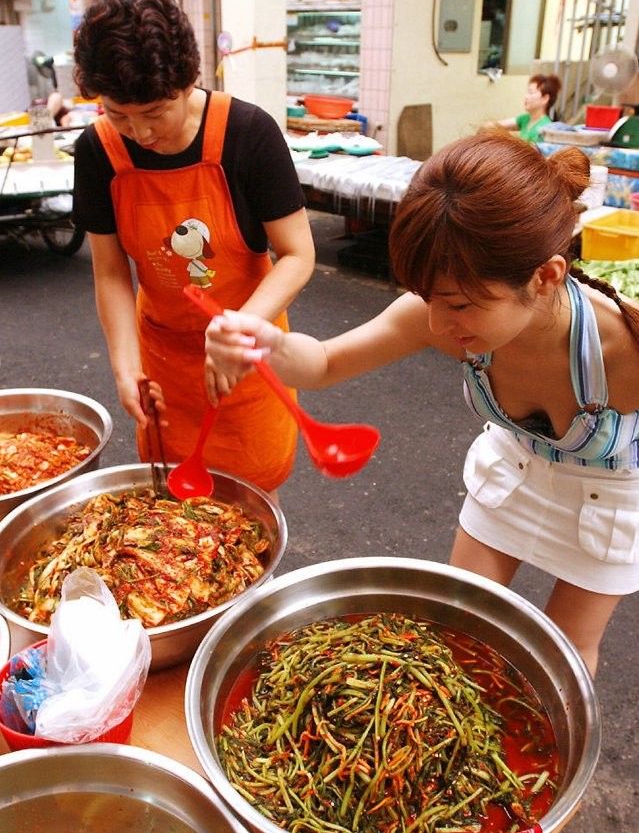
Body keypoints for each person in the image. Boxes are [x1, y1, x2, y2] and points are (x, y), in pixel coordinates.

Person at [203, 128, 639, 676]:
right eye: (427, 298)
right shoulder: (441, 316)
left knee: (565, 657)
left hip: (607, 501)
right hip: (516, 471)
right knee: (456, 627)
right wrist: (266, 343)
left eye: (457, 304)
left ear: (546, 276)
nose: (435, 324)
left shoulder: (622, 350)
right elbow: (324, 365)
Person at [71, 0, 315, 495]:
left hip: (246, 349)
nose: (139, 133)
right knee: (170, 514)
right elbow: (111, 272)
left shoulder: (248, 133)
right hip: (161, 361)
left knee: (249, 510)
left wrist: (238, 329)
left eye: (155, 113)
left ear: (189, 82)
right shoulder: (97, 152)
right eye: (118, 114)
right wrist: (124, 367)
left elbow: (297, 255)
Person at [489, 73, 562, 144]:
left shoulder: (545, 127)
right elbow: (494, 125)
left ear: (545, 99)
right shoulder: (525, 119)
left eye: (531, 93)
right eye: (527, 92)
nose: (526, 96)